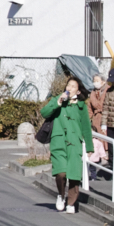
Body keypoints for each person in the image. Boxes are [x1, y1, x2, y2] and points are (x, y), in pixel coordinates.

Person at [41, 75, 92, 213]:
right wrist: (57, 102)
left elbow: (86, 127)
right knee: (61, 172)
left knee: (74, 174)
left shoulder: (81, 107)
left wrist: (89, 146)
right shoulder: (58, 100)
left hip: (75, 142)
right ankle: (60, 195)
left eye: (73, 86)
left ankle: (71, 203)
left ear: (78, 91)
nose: (69, 88)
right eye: (68, 85)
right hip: (58, 141)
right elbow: (44, 113)